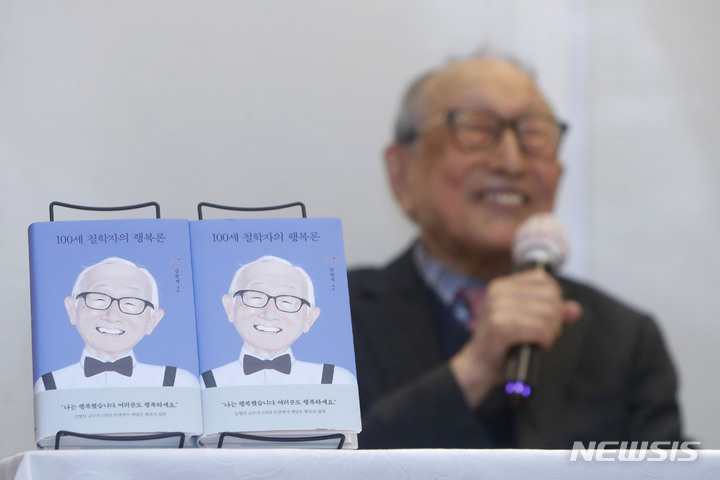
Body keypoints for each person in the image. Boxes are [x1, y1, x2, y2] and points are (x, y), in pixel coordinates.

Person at [348, 55, 683, 448]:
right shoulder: (323, 317)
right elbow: (306, 465)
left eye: (533, 134)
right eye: (476, 129)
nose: (511, 161)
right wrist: (474, 369)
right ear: (401, 173)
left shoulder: (626, 340)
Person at [34, 257, 199, 392]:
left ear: (153, 320)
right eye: (99, 299)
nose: (112, 316)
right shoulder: (50, 387)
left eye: (131, 303)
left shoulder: (178, 384)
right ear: (72, 309)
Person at [201, 255, 356, 387]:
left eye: (287, 301)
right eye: (256, 297)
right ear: (230, 307)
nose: (270, 313)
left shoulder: (335, 381)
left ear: (310, 318)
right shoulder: (206, 383)